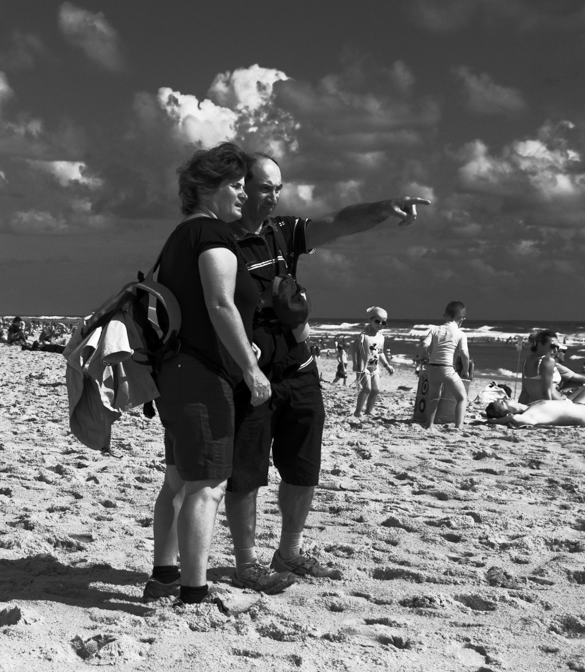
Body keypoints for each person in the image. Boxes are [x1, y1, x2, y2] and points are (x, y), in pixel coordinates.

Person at [223, 152, 429, 591]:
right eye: (265, 188)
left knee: (303, 466)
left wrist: (381, 208)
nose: (273, 197)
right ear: (241, 186)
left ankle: (289, 552)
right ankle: (245, 564)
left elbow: (336, 221)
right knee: (247, 473)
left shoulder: (283, 232)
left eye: (278, 189)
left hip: (298, 369)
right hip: (250, 373)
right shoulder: (219, 242)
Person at [144, 142, 271, 608]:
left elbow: (197, 310)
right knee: (208, 486)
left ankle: (163, 577)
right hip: (201, 376)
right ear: (206, 188)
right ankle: (195, 592)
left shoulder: (178, 237)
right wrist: (251, 367)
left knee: (177, 483)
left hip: (175, 371)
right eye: (235, 186)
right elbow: (219, 304)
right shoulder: (213, 236)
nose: (243, 195)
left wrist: (240, 343)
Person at [417, 301, 472, 429]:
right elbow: (465, 354)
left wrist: (422, 357)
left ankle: (429, 425)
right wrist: (465, 370)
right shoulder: (460, 334)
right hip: (446, 369)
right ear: (462, 319)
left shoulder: (435, 329)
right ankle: (458, 426)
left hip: (432, 368)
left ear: (445, 315)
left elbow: (423, 345)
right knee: (462, 397)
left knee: (434, 397)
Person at [353, 307, 394, 418]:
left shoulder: (381, 338)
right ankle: (358, 411)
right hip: (363, 366)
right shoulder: (363, 336)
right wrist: (356, 366)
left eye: (383, 322)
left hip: (374, 366)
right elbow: (354, 350)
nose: (380, 324)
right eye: (377, 321)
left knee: (375, 390)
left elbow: (380, 353)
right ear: (370, 321)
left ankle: (368, 411)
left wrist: (387, 365)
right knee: (367, 389)